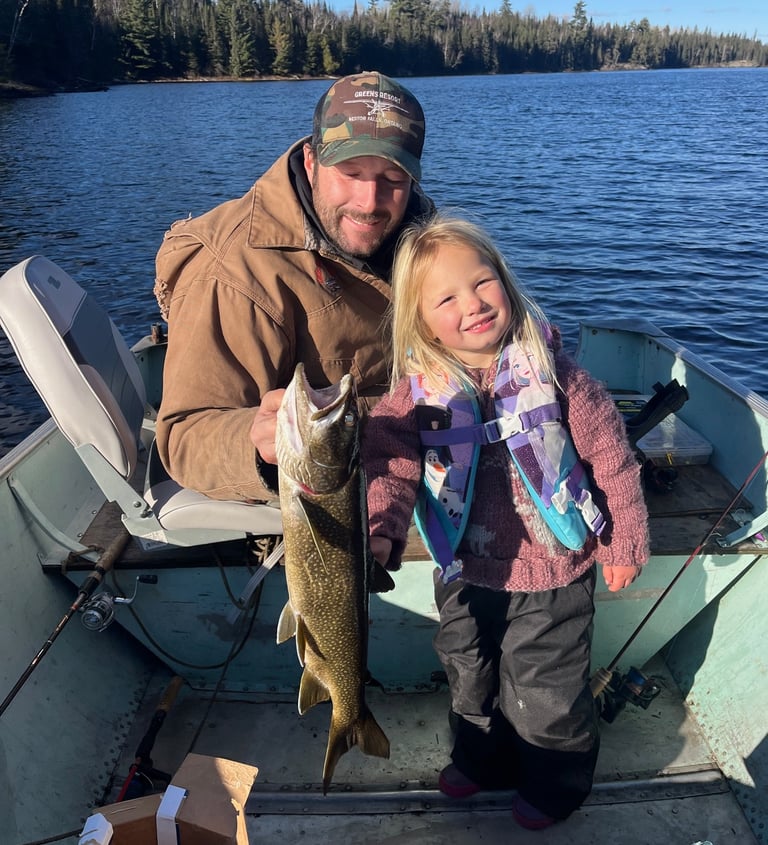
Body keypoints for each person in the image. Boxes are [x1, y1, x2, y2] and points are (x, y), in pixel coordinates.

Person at [362, 214, 649, 830]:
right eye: (446, 298)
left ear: (506, 282)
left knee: (547, 688)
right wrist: (382, 528)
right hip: (464, 571)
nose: (472, 304)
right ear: (420, 321)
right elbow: (390, 466)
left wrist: (624, 540)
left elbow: (613, 460)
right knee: (468, 671)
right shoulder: (414, 393)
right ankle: (481, 761)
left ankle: (554, 786)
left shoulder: (560, 377)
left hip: (555, 572)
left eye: (482, 282)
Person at [153, 72, 433, 501]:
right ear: (311, 162)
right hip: (337, 490)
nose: (369, 201)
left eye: (393, 179)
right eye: (350, 173)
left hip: (430, 450)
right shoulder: (235, 272)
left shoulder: (421, 228)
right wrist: (257, 442)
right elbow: (185, 437)